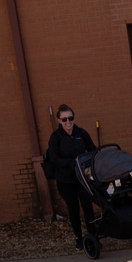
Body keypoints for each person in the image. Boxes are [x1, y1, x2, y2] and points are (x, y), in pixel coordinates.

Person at [47, 104, 97, 250]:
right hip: (65, 180)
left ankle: (93, 236)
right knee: (73, 209)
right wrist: (71, 163)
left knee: (88, 207)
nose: (68, 122)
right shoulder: (56, 138)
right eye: (64, 120)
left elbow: (92, 150)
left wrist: (87, 163)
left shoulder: (81, 133)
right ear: (59, 121)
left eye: (70, 118)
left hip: (82, 178)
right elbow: (54, 158)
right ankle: (78, 239)